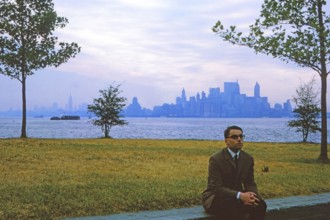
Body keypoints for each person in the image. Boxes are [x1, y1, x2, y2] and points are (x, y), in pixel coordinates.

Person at [202, 125, 267, 220]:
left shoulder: (248, 158)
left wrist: (251, 196)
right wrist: (240, 196)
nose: (239, 139)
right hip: (217, 197)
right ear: (226, 141)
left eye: (241, 136)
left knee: (260, 205)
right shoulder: (216, 159)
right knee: (230, 206)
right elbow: (217, 188)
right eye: (235, 137)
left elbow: (250, 183)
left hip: (239, 197)